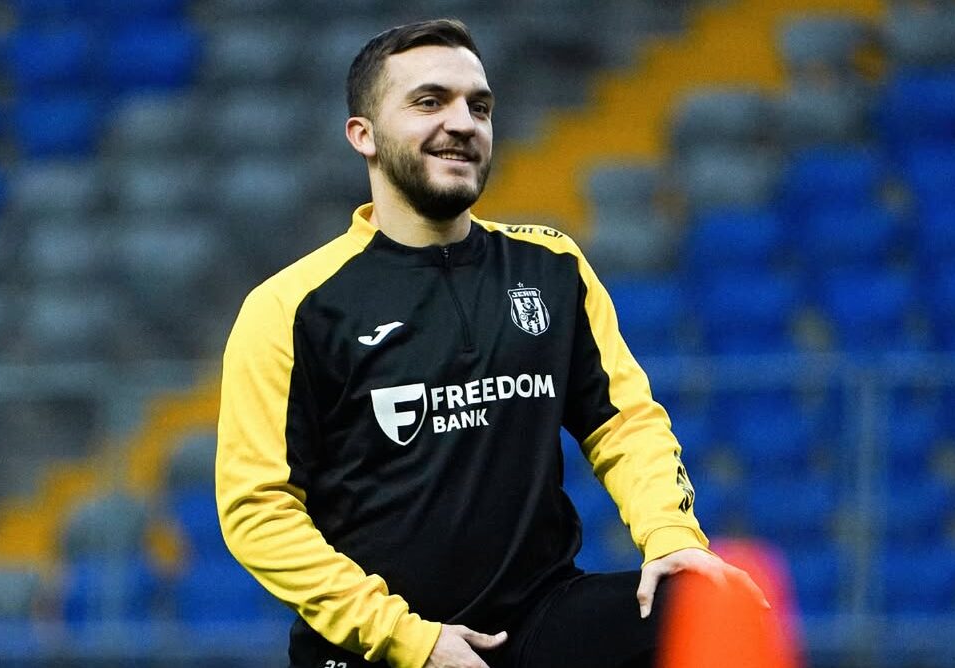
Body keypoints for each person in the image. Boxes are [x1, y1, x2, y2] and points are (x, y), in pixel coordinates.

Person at [216, 18, 763, 668]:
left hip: (541, 619)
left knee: (710, 605)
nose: (463, 123)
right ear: (363, 135)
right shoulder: (292, 307)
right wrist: (411, 639)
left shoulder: (551, 267)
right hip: (379, 647)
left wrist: (671, 534)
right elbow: (258, 511)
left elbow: (623, 422)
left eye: (479, 106)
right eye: (429, 102)